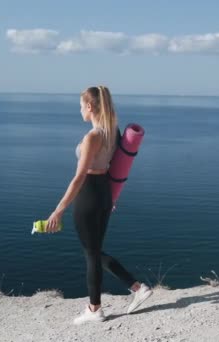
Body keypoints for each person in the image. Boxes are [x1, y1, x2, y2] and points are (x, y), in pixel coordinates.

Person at [45, 85, 153, 325]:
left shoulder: (93, 137)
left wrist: (59, 209)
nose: (80, 110)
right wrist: (110, 198)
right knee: (94, 251)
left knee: (91, 254)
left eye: (81, 105)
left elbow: (79, 177)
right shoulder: (112, 131)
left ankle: (95, 309)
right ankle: (136, 288)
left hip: (89, 196)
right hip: (104, 194)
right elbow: (115, 166)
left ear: (90, 106)